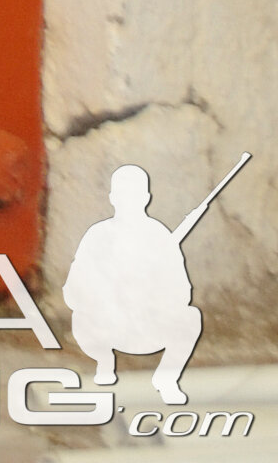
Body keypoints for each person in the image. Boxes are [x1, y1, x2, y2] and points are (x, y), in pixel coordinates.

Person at [65, 158, 230, 406]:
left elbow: (182, 292)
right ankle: (104, 362)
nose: (129, 201)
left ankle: (167, 379)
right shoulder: (98, 236)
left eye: (135, 195)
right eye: (123, 195)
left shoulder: (159, 236)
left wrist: (152, 293)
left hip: (148, 327)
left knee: (191, 317)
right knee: (80, 319)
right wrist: (107, 292)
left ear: (146, 198)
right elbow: (73, 290)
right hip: (107, 326)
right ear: (112, 198)